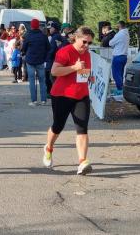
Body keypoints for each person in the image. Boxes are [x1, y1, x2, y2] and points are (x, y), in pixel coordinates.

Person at [42, 26, 95, 175]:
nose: (86, 46)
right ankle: (49, 148)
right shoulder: (65, 51)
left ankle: (82, 162)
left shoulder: (87, 54)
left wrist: (88, 76)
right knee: (58, 126)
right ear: (76, 38)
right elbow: (54, 71)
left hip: (81, 95)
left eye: (89, 43)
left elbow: (82, 72)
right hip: (62, 95)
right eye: (84, 42)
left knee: (82, 128)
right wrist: (74, 67)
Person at [22, 18, 50, 106]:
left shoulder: (28, 36)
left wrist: (25, 53)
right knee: (42, 81)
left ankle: (34, 101)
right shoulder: (43, 36)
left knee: (32, 81)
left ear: (31, 26)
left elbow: (24, 48)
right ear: (38, 26)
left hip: (30, 61)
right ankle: (43, 100)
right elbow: (48, 48)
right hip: (41, 61)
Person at [108, 21, 129, 96]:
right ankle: (120, 88)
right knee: (120, 74)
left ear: (119, 25)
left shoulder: (120, 34)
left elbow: (110, 43)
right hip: (124, 56)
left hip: (118, 56)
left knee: (116, 74)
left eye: (117, 25)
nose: (116, 26)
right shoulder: (126, 33)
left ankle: (120, 90)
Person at [45, 21, 62, 96]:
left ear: (54, 29)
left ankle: (53, 93)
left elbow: (52, 50)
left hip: (52, 61)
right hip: (54, 60)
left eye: (51, 28)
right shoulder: (57, 36)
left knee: (51, 78)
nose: (49, 30)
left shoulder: (55, 37)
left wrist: (46, 58)